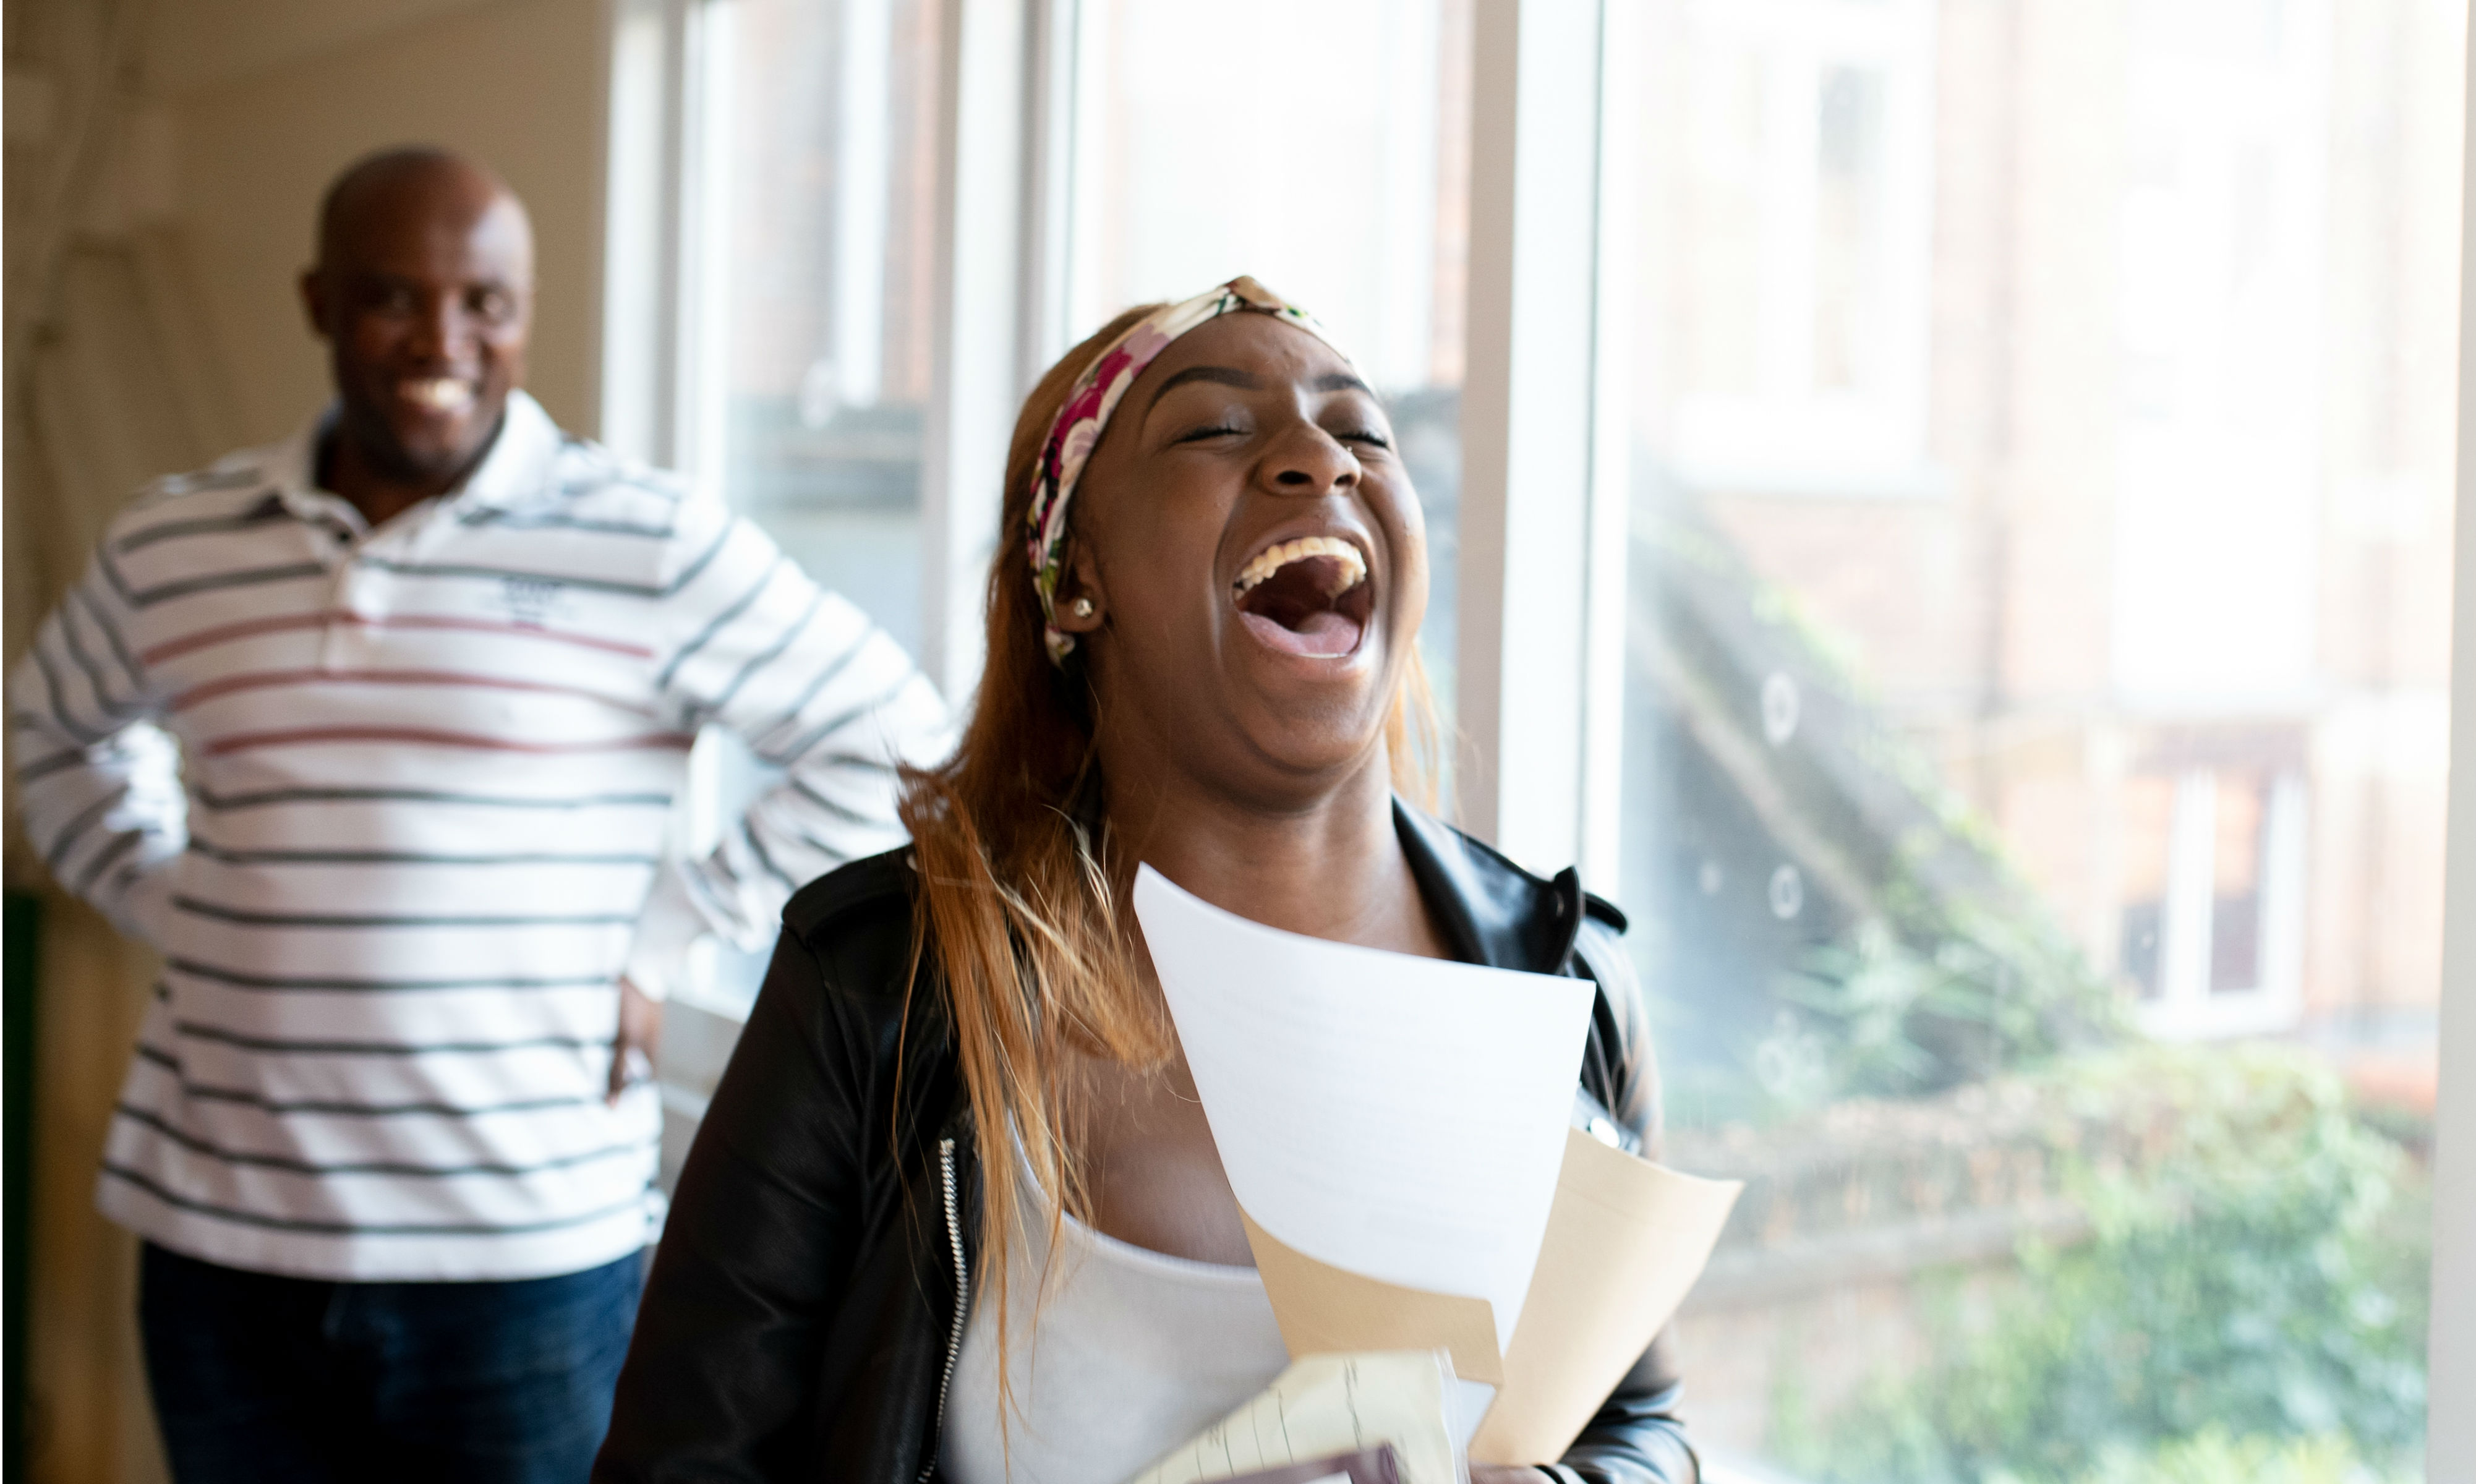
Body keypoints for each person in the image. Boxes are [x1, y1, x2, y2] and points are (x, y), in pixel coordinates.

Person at [594, 278, 1696, 1484]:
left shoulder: (1568, 981)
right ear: (1076, 579)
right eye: (1216, 427)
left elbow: (1639, 1432)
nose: (1318, 460)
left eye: (1363, 433)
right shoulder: (877, 991)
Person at [7, 146, 950, 1481]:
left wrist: (667, 933)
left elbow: (900, 740)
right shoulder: (173, 547)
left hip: (522, 1259)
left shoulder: (647, 540)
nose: (442, 341)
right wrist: (180, 898)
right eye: (395, 298)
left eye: (485, 303)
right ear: (319, 301)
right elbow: (49, 733)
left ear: (524, 310)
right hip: (218, 1241)